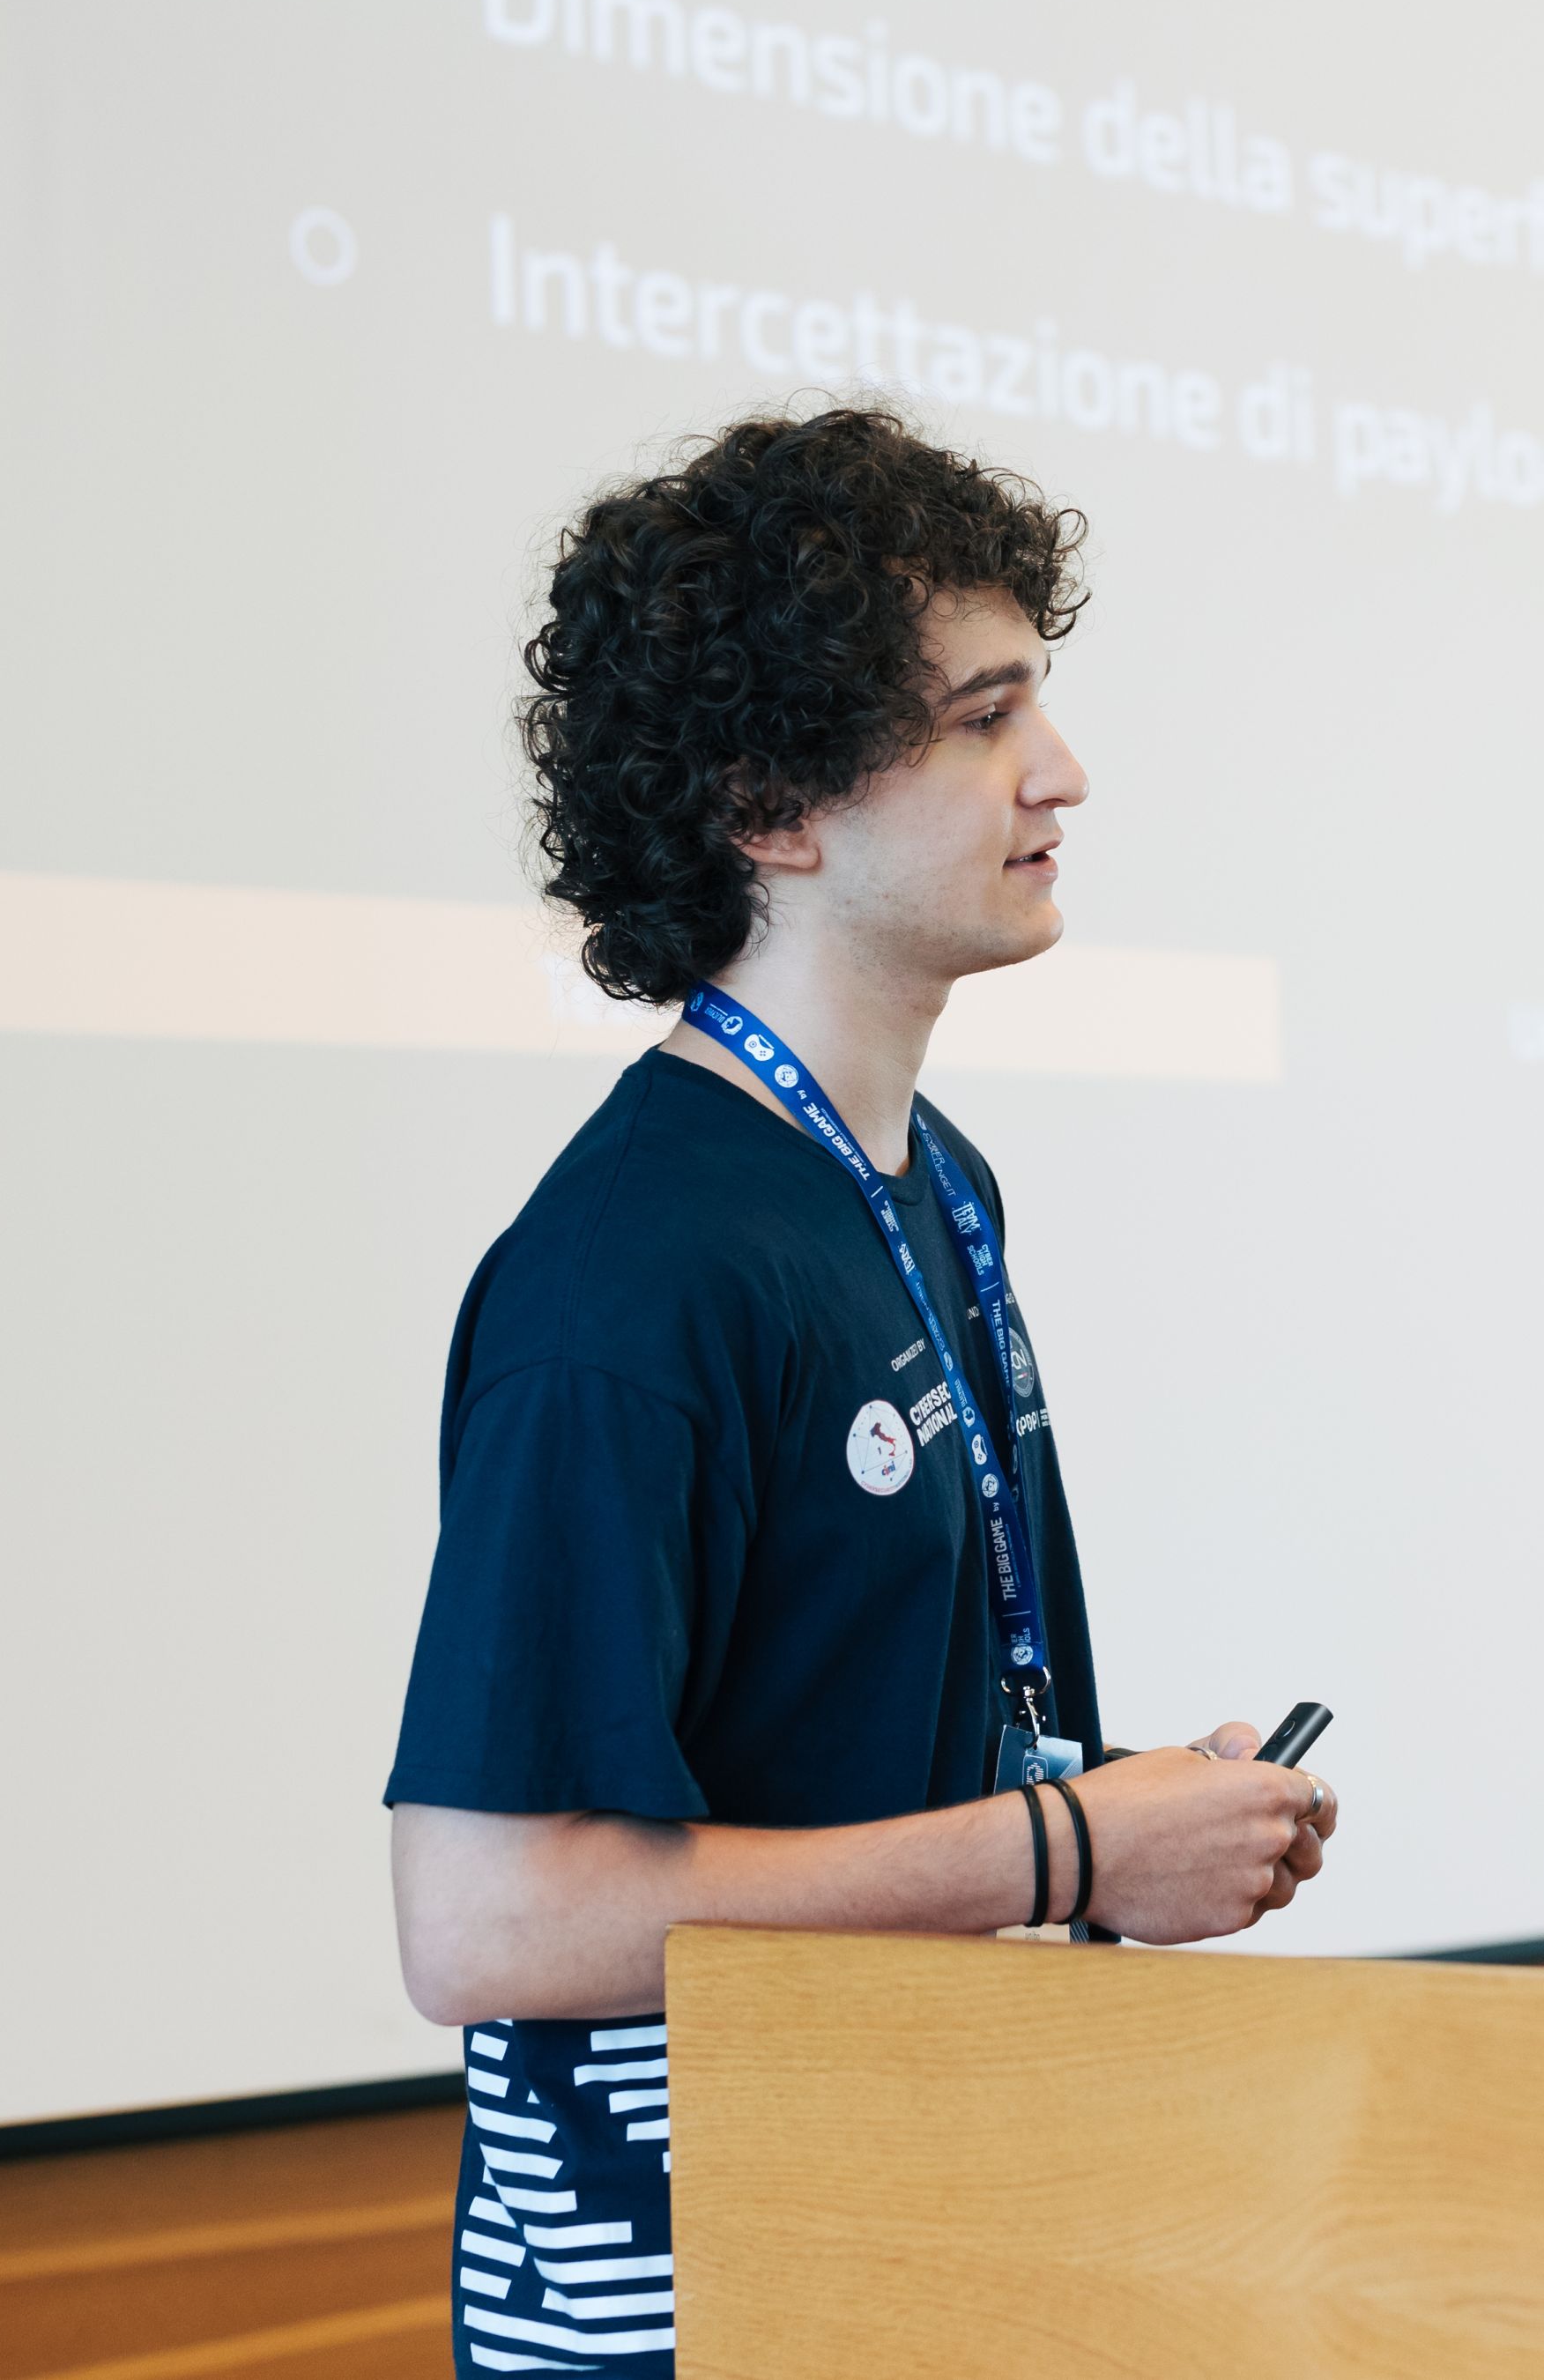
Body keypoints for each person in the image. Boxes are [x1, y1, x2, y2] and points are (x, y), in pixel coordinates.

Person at [383, 405, 1338, 2378]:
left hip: (910, 2215)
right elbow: (483, 1920)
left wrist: (1124, 1812)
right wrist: (1068, 1853)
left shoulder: (927, 1187)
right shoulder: (633, 1271)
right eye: (985, 717)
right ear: (770, 808)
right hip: (691, 2297)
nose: (1058, 773)